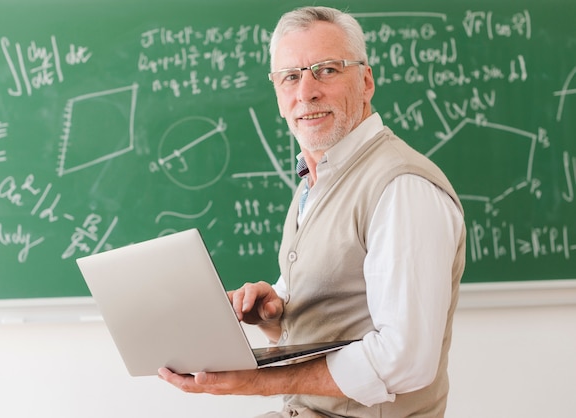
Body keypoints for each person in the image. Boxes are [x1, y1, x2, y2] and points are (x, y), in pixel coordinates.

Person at [158, 6, 466, 418]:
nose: (306, 92)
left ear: (366, 80)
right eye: (290, 77)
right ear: (278, 95)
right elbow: (338, 308)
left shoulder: (400, 187)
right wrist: (273, 313)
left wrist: (258, 382)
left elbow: (406, 360)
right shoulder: (314, 181)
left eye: (326, 70)